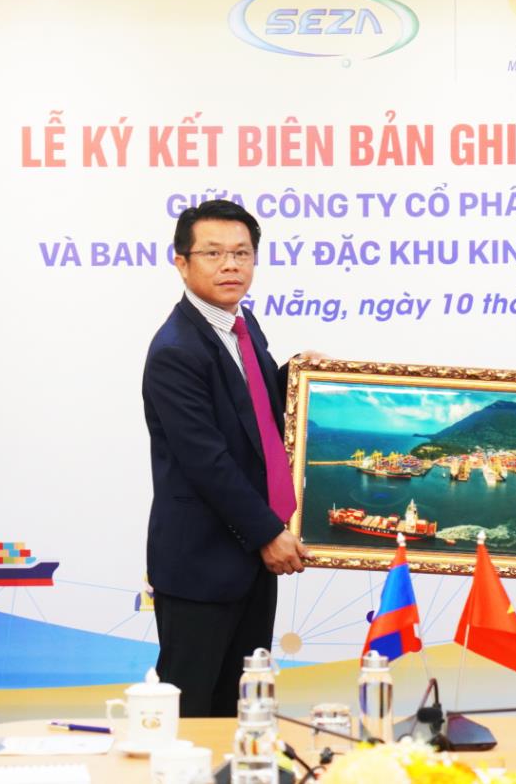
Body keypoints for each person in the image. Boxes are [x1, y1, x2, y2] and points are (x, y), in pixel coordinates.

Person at [143, 199, 313, 717]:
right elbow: (207, 461)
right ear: (181, 262)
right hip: (202, 563)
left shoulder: (242, 324)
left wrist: (302, 379)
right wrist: (268, 533)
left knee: (242, 709)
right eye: (213, 253)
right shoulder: (175, 350)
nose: (230, 265)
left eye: (241, 253)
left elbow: (249, 406)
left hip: (250, 562)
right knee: (193, 712)